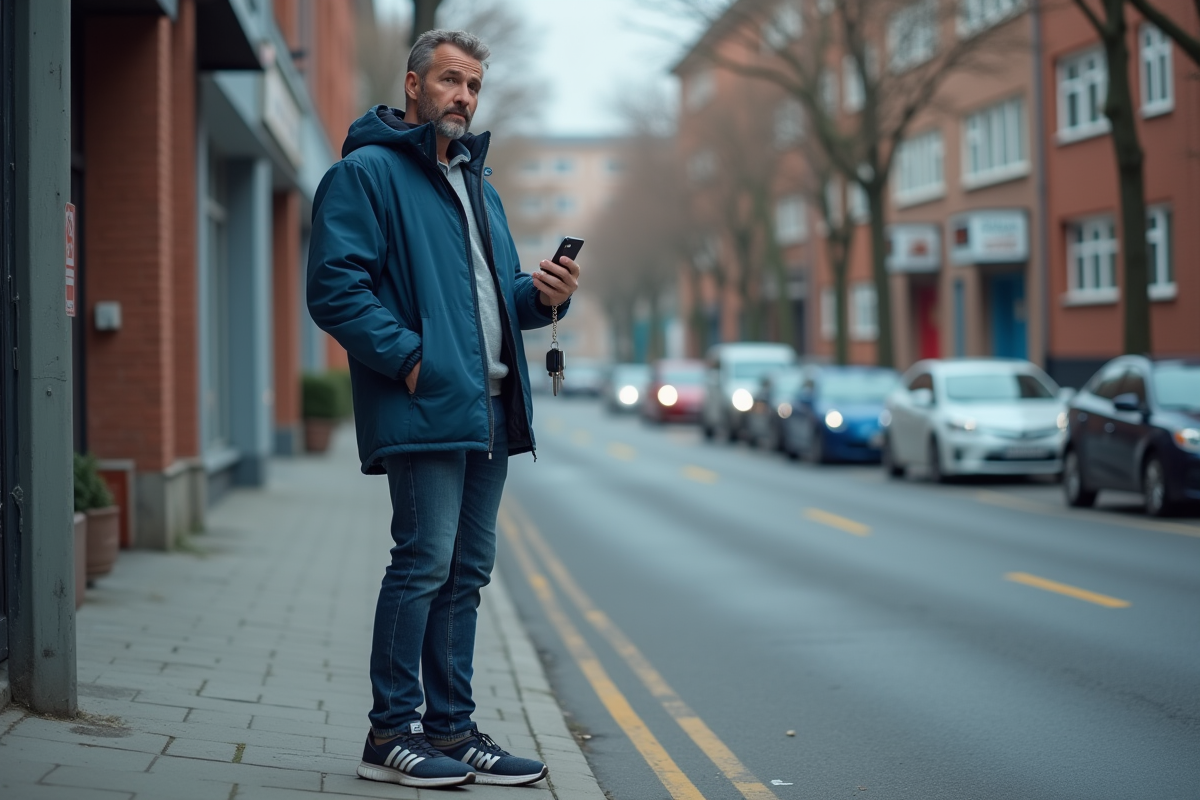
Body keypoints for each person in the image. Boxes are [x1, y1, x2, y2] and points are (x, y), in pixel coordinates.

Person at [306, 29, 580, 789]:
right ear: (414, 84)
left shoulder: (478, 186)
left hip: (490, 406)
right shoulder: (365, 175)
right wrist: (413, 361)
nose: (463, 97)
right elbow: (335, 291)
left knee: (467, 572)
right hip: (427, 402)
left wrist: (541, 295)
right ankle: (390, 733)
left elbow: (493, 301)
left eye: (474, 87)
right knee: (423, 562)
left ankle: (451, 730)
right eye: (452, 81)